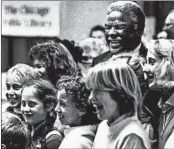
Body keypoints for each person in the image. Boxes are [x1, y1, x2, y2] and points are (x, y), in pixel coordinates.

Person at [86, 59, 151, 148]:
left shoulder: (132, 137)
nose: (90, 97)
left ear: (120, 93)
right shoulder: (103, 127)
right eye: (91, 90)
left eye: (98, 90)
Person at [92, 1, 147, 67]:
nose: (111, 33)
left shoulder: (154, 59)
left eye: (119, 27)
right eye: (108, 27)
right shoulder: (99, 61)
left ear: (139, 30)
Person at [143, 39, 174, 148]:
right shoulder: (159, 101)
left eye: (151, 62)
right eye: (146, 62)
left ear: (169, 64)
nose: (144, 69)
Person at [56, 75, 98, 148]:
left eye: (62, 104)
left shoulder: (74, 143)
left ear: (81, 109)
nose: (56, 109)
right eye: (57, 102)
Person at [21, 79, 63, 149]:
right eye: (23, 104)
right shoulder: (26, 133)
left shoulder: (53, 140)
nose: (26, 109)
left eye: (32, 104)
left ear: (49, 106)